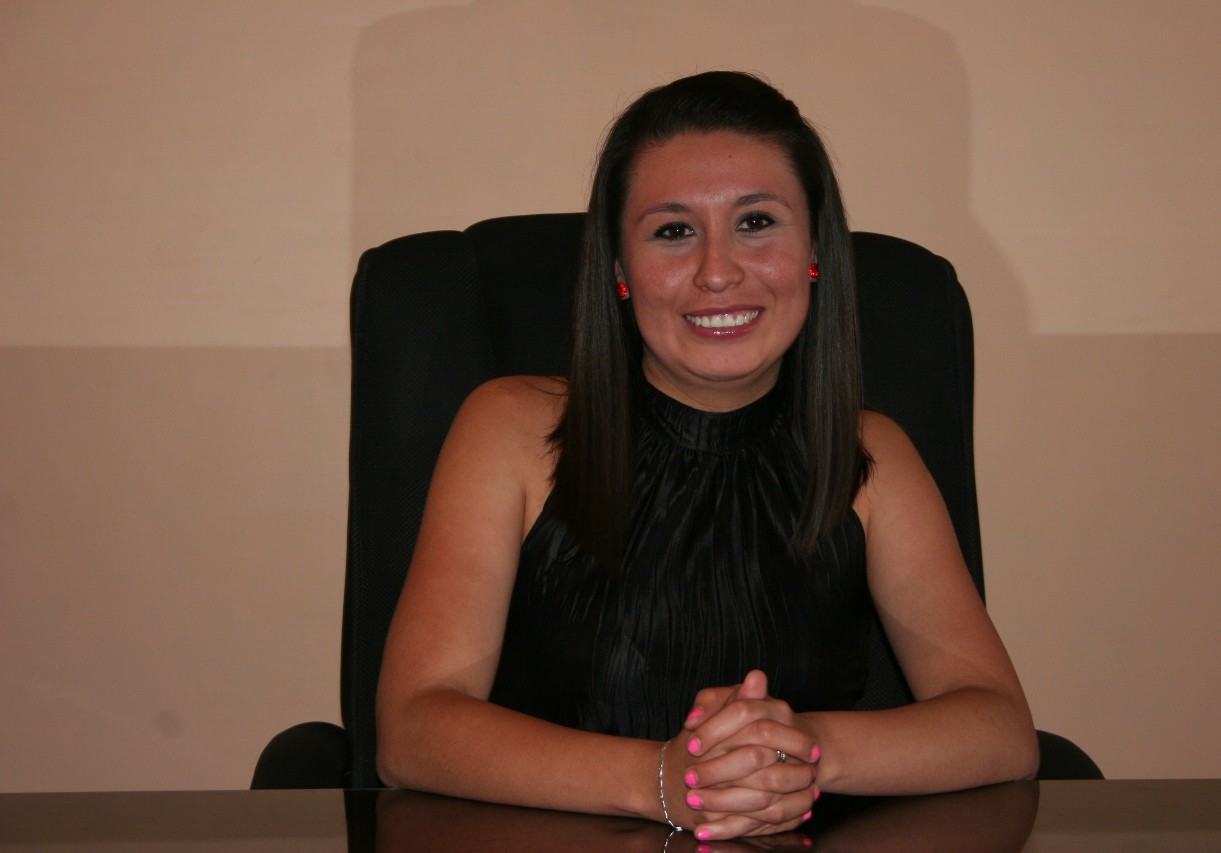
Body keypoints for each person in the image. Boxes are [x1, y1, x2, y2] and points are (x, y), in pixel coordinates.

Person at [376, 70, 1038, 841]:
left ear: (814, 250)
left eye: (757, 221)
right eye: (673, 231)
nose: (718, 271)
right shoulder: (510, 430)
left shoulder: (872, 457)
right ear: (619, 269)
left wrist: (804, 750)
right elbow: (414, 729)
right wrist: (662, 780)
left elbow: (1000, 727)